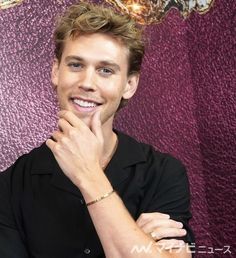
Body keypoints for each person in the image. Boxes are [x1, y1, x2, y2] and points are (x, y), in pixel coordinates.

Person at [0, 2, 194, 257]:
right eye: (76, 65)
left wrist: (88, 174)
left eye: (105, 70)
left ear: (129, 85)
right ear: (56, 72)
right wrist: (134, 241)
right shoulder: (12, 184)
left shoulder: (164, 173)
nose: (87, 83)